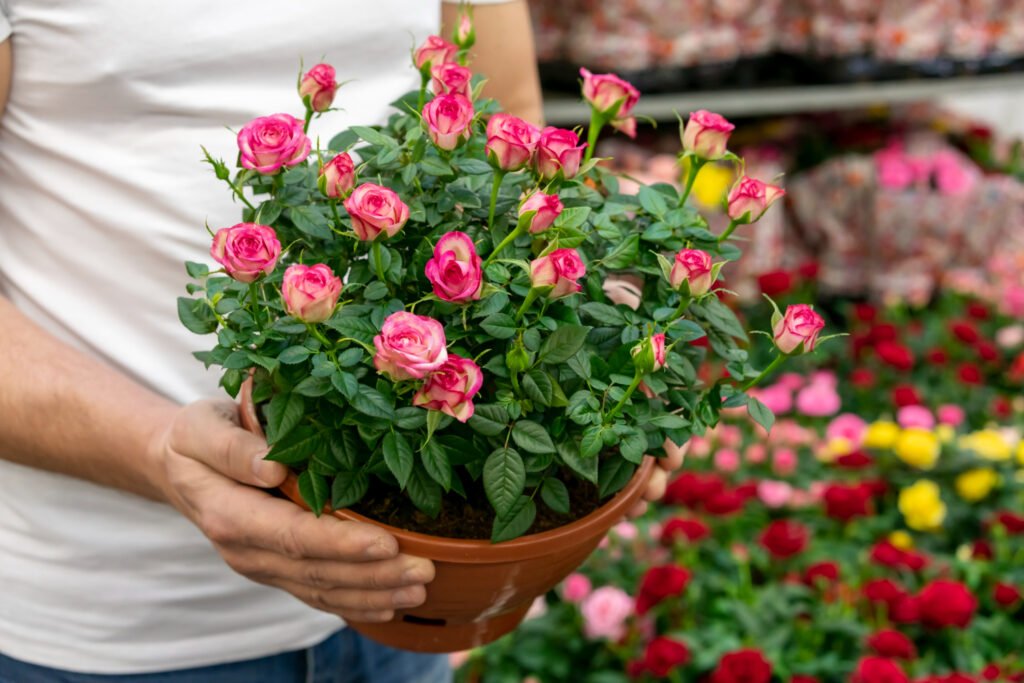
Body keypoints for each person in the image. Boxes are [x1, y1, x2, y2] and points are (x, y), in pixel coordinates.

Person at [0, 1, 682, 680]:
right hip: (110, 622)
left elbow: (511, 121)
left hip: (409, 603)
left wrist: (596, 322)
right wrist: (157, 452)